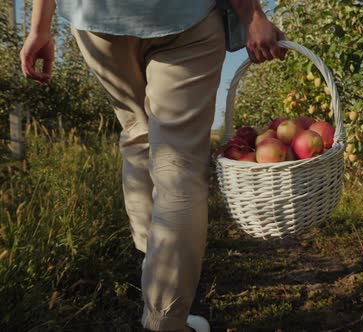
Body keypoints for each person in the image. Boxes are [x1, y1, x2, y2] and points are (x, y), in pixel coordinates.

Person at [20, 1, 286, 331]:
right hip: (185, 15)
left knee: (137, 132)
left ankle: (153, 264)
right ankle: (165, 320)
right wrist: (253, 16)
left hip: (97, 18)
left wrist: (39, 28)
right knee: (180, 161)